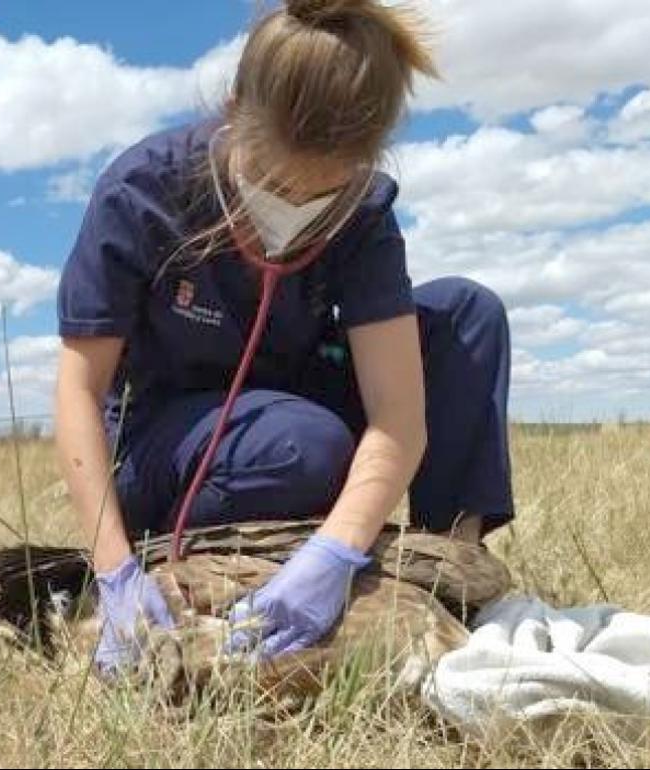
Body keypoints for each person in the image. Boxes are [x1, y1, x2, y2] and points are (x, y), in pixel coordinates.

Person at [53, 0, 514, 675]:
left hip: (293, 404)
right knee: (305, 444)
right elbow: (78, 389)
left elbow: (398, 415)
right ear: (236, 109)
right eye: (272, 183)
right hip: (169, 436)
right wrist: (113, 567)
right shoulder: (142, 191)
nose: (296, 211)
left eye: (325, 196)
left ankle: (446, 569)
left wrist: (337, 553)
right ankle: (218, 536)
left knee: (467, 315)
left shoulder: (364, 215)